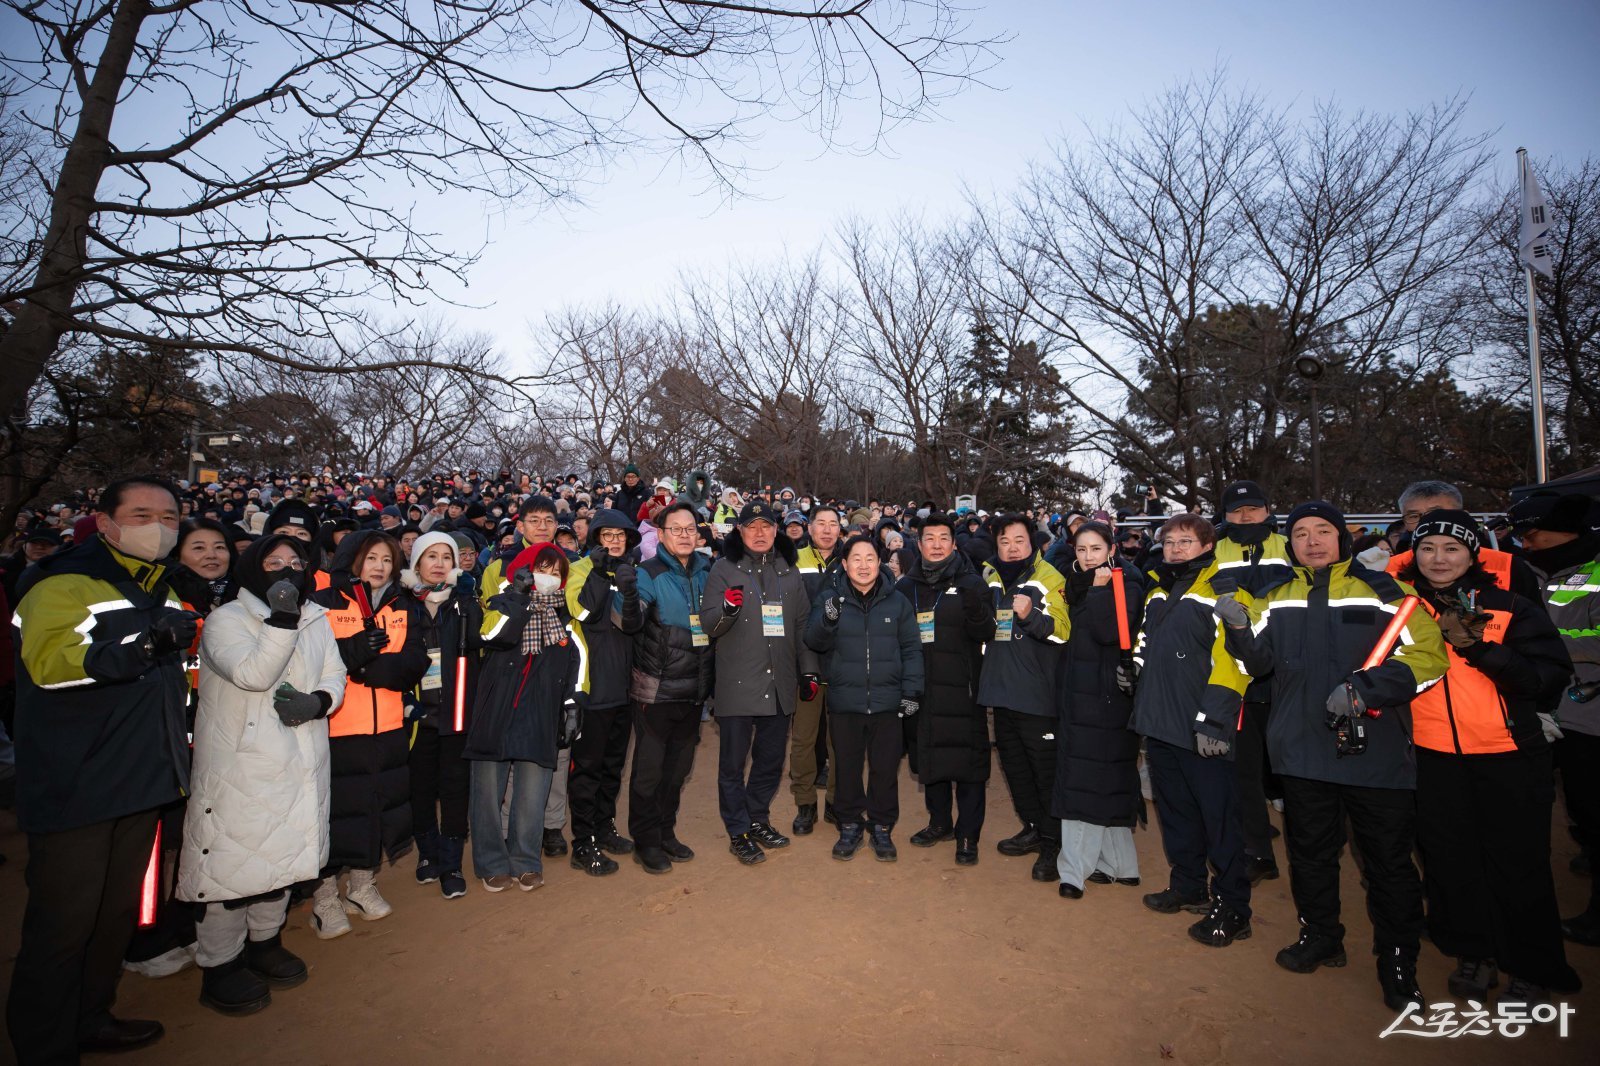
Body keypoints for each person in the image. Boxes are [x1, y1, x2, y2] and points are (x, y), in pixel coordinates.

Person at [1218, 501, 1448, 1010]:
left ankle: (1396, 962)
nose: (1313, 540)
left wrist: (1368, 688)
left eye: (1323, 531)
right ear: (1290, 542)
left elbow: (1429, 656)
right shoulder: (1275, 596)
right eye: (1301, 533)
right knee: (1310, 854)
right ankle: (1321, 937)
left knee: (1388, 863)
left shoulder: (1386, 592)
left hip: (1376, 753)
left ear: (1343, 538)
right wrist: (1237, 629)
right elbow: (1258, 664)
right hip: (1301, 751)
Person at [8, 476, 195, 1060]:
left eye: (169, 517)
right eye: (142, 513)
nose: (158, 526)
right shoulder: (59, 581)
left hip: (142, 777)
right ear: (106, 521)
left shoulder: (162, 587)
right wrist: (146, 645)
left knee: (114, 916)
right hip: (77, 783)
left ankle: (92, 1015)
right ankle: (44, 1045)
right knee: (63, 925)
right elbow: (51, 663)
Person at [1396, 509, 1581, 1004]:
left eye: (1452, 548)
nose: (1439, 558)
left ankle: (1530, 964)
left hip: (1508, 754)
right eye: (1428, 547)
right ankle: (1472, 952)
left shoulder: (1509, 605)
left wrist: (1479, 648)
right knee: (1449, 860)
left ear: (1473, 554)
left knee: (1518, 863)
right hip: (1433, 756)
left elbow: (1546, 678)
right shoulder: (1401, 608)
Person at [177, 535, 346, 1015]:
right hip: (243, 762)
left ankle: (265, 942)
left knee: (283, 850)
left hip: (302, 751)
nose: (287, 570)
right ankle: (220, 963)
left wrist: (322, 701)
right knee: (234, 859)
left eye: (296, 563)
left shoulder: (316, 616)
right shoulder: (225, 620)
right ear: (254, 567)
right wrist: (282, 618)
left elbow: (334, 672)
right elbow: (254, 673)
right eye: (275, 562)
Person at [1127, 514, 1252, 945]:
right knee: (1176, 811)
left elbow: (1236, 661)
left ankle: (1234, 905)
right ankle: (1188, 884)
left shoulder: (1224, 587)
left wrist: (1215, 720)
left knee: (1218, 818)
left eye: (1186, 541)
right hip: (1160, 720)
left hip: (1202, 724)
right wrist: (1134, 670)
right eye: (1169, 541)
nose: (1176, 548)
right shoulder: (1159, 587)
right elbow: (1146, 641)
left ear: (1207, 544)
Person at [308, 531, 428, 938]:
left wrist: (367, 670)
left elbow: (414, 662)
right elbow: (312, 665)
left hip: (389, 725)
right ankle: (324, 897)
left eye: (387, 559)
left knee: (378, 808)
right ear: (351, 559)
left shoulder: (403, 605)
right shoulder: (323, 604)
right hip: (337, 728)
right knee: (335, 815)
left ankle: (362, 885)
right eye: (370, 557)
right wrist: (354, 655)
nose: (379, 566)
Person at [700, 500, 819, 865]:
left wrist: (808, 670)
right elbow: (709, 625)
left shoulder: (789, 572)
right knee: (733, 766)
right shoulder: (723, 569)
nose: (760, 532)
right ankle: (738, 831)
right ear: (739, 531)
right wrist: (727, 610)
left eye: (766, 525)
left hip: (779, 684)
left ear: (776, 530)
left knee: (770, 761)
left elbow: (802, 626)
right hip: (738, 684)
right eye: (751, 526)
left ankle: (756, 818)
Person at [1506, 492, 1600, 946]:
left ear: (1565, 530)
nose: (1525, 542)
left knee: (1591, 805)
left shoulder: (1595, 569)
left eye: (1532, 533)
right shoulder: (1523, 569)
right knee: (1537, 806)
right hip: (1537, 708)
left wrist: (1540, 645)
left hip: (1588, 713)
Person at [466, 544, 582, 892]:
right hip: (496, 712)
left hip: (540, 714)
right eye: (540, 568)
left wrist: (573, 705)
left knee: (533, 794)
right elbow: (490, 636)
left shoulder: (567, 618)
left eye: (555, 570)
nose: (547, 576)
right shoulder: (501, 604)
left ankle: (526, 860)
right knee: (487, 794)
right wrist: (516, 596)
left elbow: (579, 666)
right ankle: (490, 861)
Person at [806, 536, 924, 861]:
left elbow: (911, 648)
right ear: (844, 564)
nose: (863, 565)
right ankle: (850, 824)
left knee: (885, 768)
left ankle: (882, 827)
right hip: (845, 701)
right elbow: (812, 639)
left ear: (880, 562)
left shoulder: (897, 602)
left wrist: (911, 690)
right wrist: (828, 620)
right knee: (846, 767)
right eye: (855, 558)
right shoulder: (831, 598)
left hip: (887, 702)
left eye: (869, 558)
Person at [618, 503, 713, 873]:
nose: (686, 535)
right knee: (650, 770)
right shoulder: (648, 573)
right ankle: (646, 840)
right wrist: (628, 598)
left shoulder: (708, 571)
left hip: (694, 690)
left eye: (691, 528)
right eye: (677, 529)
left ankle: (666, 831)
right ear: (660, 535)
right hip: (656, 691)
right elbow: (631, 622)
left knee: (678, 770)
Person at [1053, 522, 1146, 898]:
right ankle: (1121, 865)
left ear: (1111, 549)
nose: (1087, 556)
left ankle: (1073, 871)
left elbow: (1109, 632)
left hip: (1107, 694)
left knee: (1085, 778)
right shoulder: (1078, 583)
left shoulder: (1127, 583)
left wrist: (1099, 591)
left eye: (1095, 549)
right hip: (1083, 690)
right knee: (1105, 774)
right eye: (1080, 550)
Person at [895, 513, 994, 864]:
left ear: (954, 543)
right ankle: (939, 822)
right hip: (922, 689)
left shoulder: (971, 583)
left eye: (943, 538)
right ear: (918, 544)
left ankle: (968, 835)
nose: (936, 544)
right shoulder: (905, 587)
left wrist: (977, 612)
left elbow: (987, 634)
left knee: (969, 765)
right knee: (930, 760)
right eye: (929, 538)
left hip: (964, 689)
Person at [977, 513, 1070, 882]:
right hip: (1002, 690)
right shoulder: (992, 580)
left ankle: (1054, 842)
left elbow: (1063, 632)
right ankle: (1032, 826)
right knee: (1014, 768)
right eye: (1004, 541)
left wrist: (1032, 617)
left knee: (1044, 772)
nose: (1012, 547)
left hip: (1037, 694)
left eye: (1019, 540)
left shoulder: (1049, 578)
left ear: (1033, 543)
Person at [478, 496, 572, 858]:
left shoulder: (570, 563)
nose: (542, 527)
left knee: (555, 758)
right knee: (511, 758)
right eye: (534, 520)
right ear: (520, 525)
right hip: (510, 670)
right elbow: (490, 620)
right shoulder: (497, 566)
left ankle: (550, 826)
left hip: (553, 670)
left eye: (549, 520)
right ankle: (506, 830)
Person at [1212, 481, 1295, 884]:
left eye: (1253, 508)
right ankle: (1257, 850)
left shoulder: (1290, 543)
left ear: (1267, 509)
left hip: (1289, 670)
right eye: (1237, 510)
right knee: (1243, 768)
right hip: (1238, 671)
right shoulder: (1214, 547)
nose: (1245, 516)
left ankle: (1308, 849)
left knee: (1290, 768)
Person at [400, 532, 483, 900]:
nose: (438, 563)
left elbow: (481, 646)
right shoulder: (401, 605)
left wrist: (470, 599)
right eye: (430, 556)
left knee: (454, 790)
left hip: (456, 714)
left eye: (445, 557)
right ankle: (427, 855)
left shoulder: (464, 603)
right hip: (416, 717)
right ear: (416, 563)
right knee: (419, 791)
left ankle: (451, 863)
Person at [563, 508, 642, 875]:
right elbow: (581, 612)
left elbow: (634, 626)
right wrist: (597, 572)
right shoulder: (578, 570)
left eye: (620, 535)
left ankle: (604, 826)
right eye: (606, 535)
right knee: (588, 769)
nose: (613, 541)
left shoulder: (631, 571)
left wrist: (628, 588)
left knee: (613, 765)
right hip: (592, 687)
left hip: (625, 688)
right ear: (594, 538)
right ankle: (583, 841)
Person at [790, 504, 845, 833]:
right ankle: (805, 804)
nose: (826, 529)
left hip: (842, 666)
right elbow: (793, 618)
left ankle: (837, 804)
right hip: (806, 664)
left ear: (841, 529)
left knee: (841, 741)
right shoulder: (794, 562)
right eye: (820, 523)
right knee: (803, 740)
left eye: (833, 524)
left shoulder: (853, 559)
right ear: (809, 528)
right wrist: (803, 665)